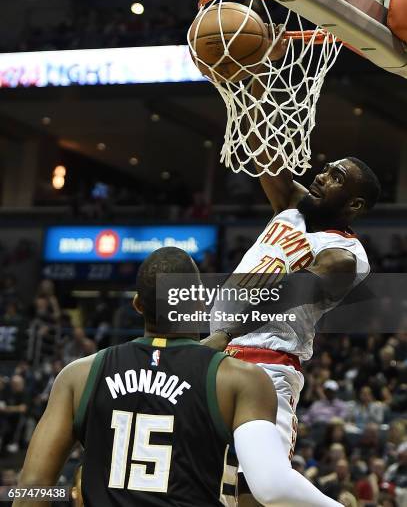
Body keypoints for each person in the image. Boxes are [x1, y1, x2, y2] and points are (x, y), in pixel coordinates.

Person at [13, 247, 341, 507]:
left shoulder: (78, 376)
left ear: (138, 305)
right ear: (200, 304)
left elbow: (30, 489)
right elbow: (269, 487)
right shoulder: (240, 380)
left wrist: (67, 496)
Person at [212, 149, 380, 504]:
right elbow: (263, 149)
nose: (321, 176)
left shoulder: (344, 255)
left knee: (264, 488)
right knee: (226, 491)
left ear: (355, 205)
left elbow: (284, 296)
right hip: (222, 360)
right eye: (326, 170)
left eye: (337, 178)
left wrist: (222, 333)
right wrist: (252, 92)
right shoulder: (291, 206)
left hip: (266, 368)